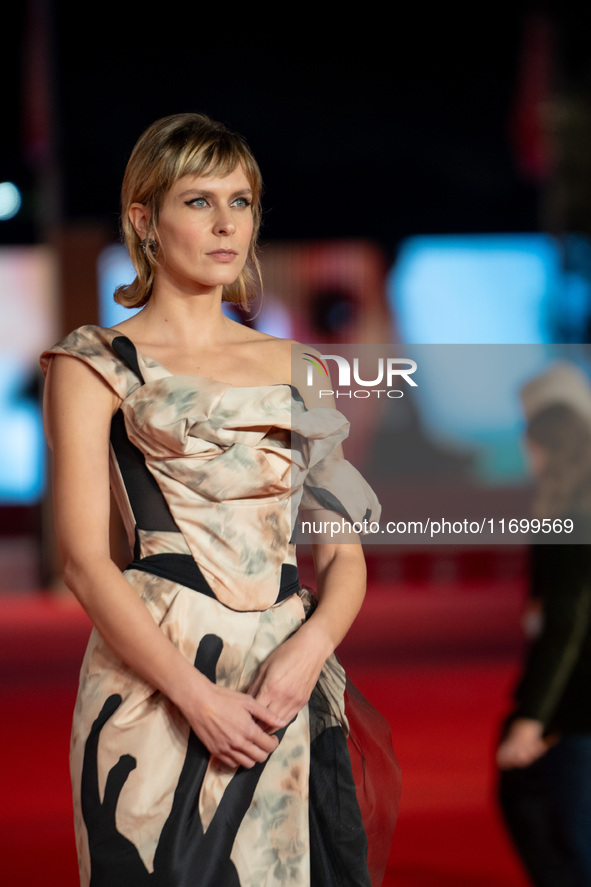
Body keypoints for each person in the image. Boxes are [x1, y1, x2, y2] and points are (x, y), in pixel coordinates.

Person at [41, 113, 399, 887]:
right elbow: (81, 560)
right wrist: (196, 698)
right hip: (152, 688)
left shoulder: (301, 368)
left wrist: (305, 656)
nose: (226, 223)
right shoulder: (92, 362)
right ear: (145, 219)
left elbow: (342, 558)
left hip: (281, 689)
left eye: (241, 201)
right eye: (199, 201)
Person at [496, 363, 591, 887]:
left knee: (566, 837)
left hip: (576, 704)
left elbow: (567, 621)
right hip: (570, 699)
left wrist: (534, 717)